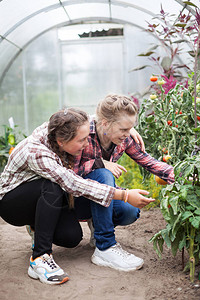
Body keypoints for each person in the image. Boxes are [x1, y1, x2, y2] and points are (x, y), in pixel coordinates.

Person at [0, 108, 155, 285]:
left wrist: (123, 127)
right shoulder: (37, 152)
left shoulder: (59, 128)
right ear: (61, 141)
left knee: (70, 237)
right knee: (52, 186)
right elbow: (72, 183)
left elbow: (89, 119)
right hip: (13, 203)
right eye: (81, 140)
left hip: (50, 196)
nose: (86, 144)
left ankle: (38, 224)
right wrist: (125, 195)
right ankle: (40, 258)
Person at [73, 94, 174, 272]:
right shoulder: (82, 133)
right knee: (103, 174)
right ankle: (105, 247)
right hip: (73, 200)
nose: (128, 135)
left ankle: (98, 230)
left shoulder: (122, 139)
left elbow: (149, 162)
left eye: (130, 129)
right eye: (123, 129)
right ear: (104, 123)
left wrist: (182, 175)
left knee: (130, 211)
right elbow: (68, 173)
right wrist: (100, 163)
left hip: (97, 198)